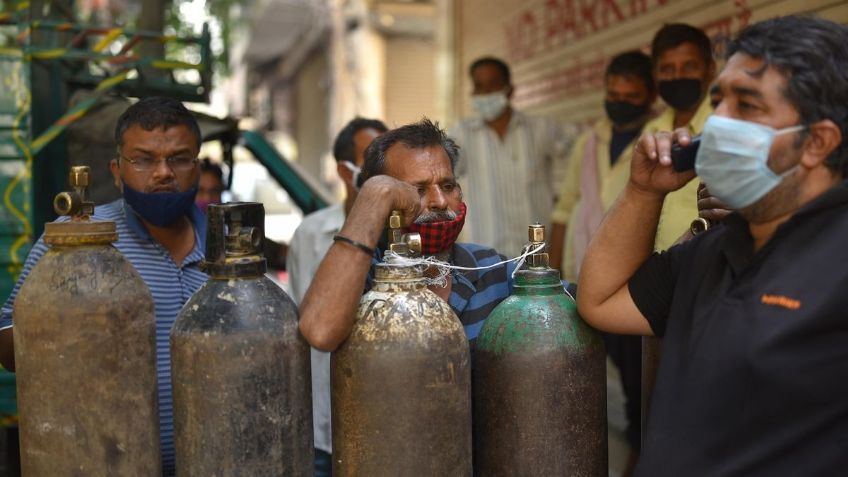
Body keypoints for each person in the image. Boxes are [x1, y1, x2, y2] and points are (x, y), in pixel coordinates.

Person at [578, 16, 848, 476]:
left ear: (816, 142)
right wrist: (645, 192)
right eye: (718, 100)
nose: (717, 123)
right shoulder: (710, 252)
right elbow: (600, 301)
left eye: (748, 105)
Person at [0, 96, 207, 476]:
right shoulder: (74, 240)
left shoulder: (228, 251)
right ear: (116, 171)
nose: (163, 172)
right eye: (143, 159)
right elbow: (13, 350)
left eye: (179, 158)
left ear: (198, 166)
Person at [299, 118, 515, 354]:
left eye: (447, 186)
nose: (440, 202)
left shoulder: (492, 269)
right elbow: (319, 331)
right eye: (418, 190)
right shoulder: (362, 278)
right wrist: (374, 194)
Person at [547, 50, 655, 476]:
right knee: (577, 378)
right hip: (578, 281)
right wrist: (553, 274)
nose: (621, 100)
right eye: (614, 93)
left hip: (631, 287)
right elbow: (564, 208)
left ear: (648, 97)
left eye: (631, 95)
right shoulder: (588, 141)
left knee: (636, 389)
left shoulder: (660, 138)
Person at [286, 117, 388, 477]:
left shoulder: (405, 234)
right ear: (346, 172)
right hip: (322, 417)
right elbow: (303, 322)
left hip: (386, 412)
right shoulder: (312, 234)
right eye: (371, 162)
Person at [449, 57, 569, 257]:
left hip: (537, 257)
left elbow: (574, 167)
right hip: (484, 260)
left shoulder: (541, 128)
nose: (486, 92)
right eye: (479, 86)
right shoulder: (461, 134)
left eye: (493, 84)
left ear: (510, 89)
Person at [644, 23, 716, 250]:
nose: (678, 77)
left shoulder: (724, 128)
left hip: (706, 270)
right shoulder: (651, 131)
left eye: (689, 66)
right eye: (667, 69)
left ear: (710, 69)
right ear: (655, 76)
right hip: (655, 276)